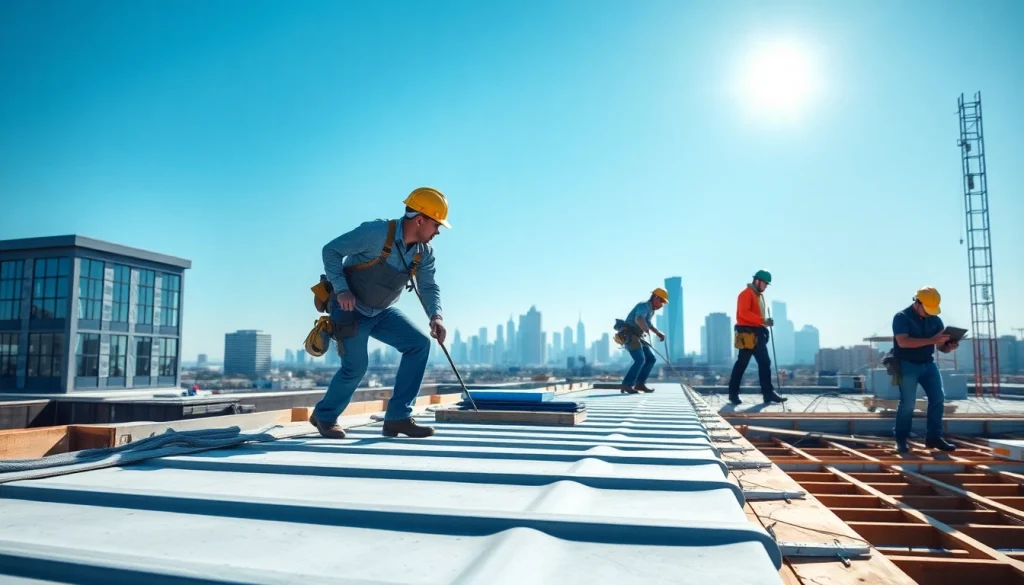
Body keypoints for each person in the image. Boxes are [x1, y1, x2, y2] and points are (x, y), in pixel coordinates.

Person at [309, 187, 450, 439]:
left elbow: (428, 286)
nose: (438, 231)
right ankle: (325, 416)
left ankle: (397, 418)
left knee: (418, 344)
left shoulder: (424, 253)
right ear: (420, 219)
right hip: (348, 308)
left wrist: (436, 316)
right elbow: (330, 250)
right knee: (356, 366)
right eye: (436, 224)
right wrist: (341, 290)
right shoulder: (375, 234)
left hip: (380, 311)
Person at [891, 286, 958, 454]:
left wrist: (949, 346)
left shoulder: (935, 320)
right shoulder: (901, 318)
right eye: (926, 310)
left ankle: (934, 438)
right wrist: (931, 340)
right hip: (906, 364)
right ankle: (901, 440)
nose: (929, 313)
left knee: (938, 398)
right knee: (908, 404)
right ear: (917, 303)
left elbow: (941, 347)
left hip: (928, 364)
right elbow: (903, 342)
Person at [727, 270, 787, 405]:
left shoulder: (758, 296)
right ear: (757, 281)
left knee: (763, 363)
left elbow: (755, 316)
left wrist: (763, 327)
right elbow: (744, 313)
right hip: (747, 334)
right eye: (765, 284)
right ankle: (734, 394)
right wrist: (763, 321)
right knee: (743, 364)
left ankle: (767, 394)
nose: (766, 287)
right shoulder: (745, 294)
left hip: (756, 333)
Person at [614, 288, 669, 394]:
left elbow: (648, 323)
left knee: (651, 359)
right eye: (661, 301)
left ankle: (639, 384)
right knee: (640, 359)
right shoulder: (644, 305)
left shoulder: (651, 310)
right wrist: (645, 329)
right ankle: (627, 384)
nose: (662, 305)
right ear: (655, 297)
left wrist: (658, 333)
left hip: (638, 336)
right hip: (630, 335)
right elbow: (639, 318)